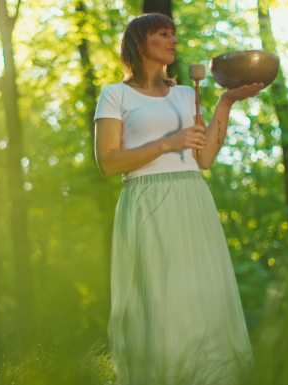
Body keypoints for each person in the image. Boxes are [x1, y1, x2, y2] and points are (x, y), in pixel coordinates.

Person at [94, 13, 263, 385]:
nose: (173, 40)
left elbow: (203, 159)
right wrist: (168, 142)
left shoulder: (189, 94)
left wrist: (227, 102)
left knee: (201, 294)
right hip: (146, 202)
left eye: (174, 34)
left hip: (192, 198)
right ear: (140, 44)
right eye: (163, 34)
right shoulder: (115, 95)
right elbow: (108, 162)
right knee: (160, 298)